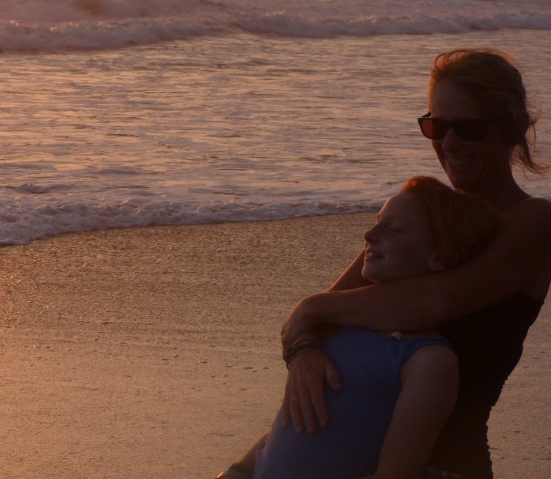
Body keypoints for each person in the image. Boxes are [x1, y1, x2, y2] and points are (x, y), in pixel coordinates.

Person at [218, 48, 551, 479]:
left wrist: (310, 309)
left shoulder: (533, 222)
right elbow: (321, 327)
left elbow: (434, 302)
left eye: (468, 128)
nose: (448, 144)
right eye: (436, 126)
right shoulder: (423, 219)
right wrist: (303, 349)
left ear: (512, 130)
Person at [241, 176, 498, 479]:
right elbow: (290, 427)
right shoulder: (334, 327)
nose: (369, 234)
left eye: (393, 229)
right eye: (377, 222)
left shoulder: (428, 362)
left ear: (438, 256)